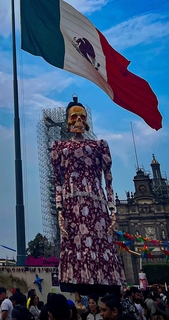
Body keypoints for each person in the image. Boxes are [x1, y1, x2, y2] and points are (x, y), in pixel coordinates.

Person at [51, 97, 125, 293]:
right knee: (75, 242)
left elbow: (108, 179)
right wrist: (59, 209)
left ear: (87, 120)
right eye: (74, 116)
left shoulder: (100, 146)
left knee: (98, 240)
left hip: (95, 201)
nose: (78, 121)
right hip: (71, 203)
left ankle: (102, 279)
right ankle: (77, 280)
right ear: (68, 121)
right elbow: (57, 181)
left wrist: (112, 209)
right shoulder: (59, 147)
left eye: (82, 117)